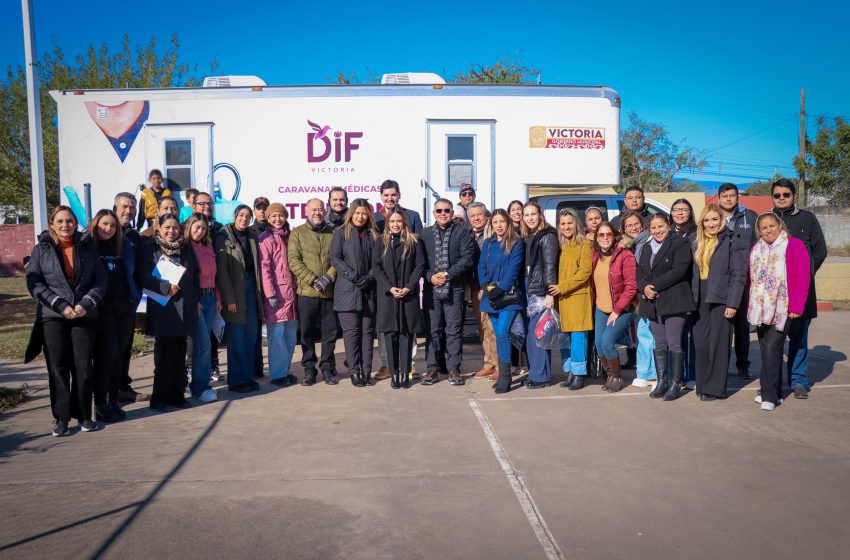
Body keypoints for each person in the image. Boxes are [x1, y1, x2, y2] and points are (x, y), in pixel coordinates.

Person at [27, 206, 106, 436]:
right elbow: (35, 284)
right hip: (53, 317)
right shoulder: (41, 250)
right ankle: (61, 419)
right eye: (60, 221)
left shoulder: (87, 247)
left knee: (82, 368)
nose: (65, 225)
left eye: (69, 221)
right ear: (52, 223)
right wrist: (60, 305)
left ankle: (84, 416)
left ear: (75, 223)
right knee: (58, 368)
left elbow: (100, 280)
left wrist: (86, 304)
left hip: (83, 314)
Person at [748, 213, 811, 411]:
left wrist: (797, 306)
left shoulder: (794, 245)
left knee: (772, 349)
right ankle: (773, 391)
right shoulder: (757, 248)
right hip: (761, 308)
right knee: (767, 350)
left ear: (780, 225)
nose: (768, 230)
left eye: (771, 226)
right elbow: (752, 280)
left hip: (782, 307)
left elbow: (802, 277)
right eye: (763, 227)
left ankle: (769, 396)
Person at [770, 178, 826, 399]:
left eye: (786, 195)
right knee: (772, 342)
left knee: (799, 339)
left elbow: (819, 251)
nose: (782, 198)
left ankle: (798, 381)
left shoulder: (807, 219)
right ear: (772, 198)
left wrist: (803, 275)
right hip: (773, 294)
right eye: (777, 195)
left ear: (794, 196)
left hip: (800, 293)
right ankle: (771, 383)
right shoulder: (767, 220)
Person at [138, 214, 200, 411]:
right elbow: (142, 276)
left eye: (175, 228)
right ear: (159, 228)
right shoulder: (150, 247)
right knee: (164, 356)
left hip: (184, 308)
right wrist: (165, 287)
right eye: (167, 227)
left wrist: (196, 299)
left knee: (179, 355)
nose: (171, 231)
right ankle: (160, 399)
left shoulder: (186, 248)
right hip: (163, 307)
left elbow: (194, 276)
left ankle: (177, 396)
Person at [86, 210, 140, 422]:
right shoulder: (87, 245)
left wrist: (132, 298)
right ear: (95, 224)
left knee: (118, 357)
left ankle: (113, 400)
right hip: (102, 309)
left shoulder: (123, 245)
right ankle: (100, 404)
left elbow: (131, 272)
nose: (108, 229)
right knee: (105, 357)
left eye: (112, 225)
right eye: (104, 224)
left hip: (124, 308)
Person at [691, 204, 747, 401]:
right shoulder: (697, 241)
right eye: (707, 220)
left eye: (714, 219)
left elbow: (739, 274)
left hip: (722, 297)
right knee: (701, 343)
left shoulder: (732, 240)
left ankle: (715, 388)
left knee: (719, 344)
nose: (711, 224)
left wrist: (733, 304)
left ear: (721, 220)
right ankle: (703, 384)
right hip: (700, 297)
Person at [637, 214, 695, 401]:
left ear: (668, 225)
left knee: (674, 343)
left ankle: (675, 382)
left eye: (660, 226)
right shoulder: (646, 247)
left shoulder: (679, 243)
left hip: (675, 300)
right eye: (653, 228)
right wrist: (644, 287)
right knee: (660, 343)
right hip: (653, 302)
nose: (657, 231)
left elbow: (679, 271)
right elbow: (640, 272)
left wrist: (653, 287)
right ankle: (662, 381)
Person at [372, 180, 424, 380]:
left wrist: (409, 284)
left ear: (399, 195)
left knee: (407, 327)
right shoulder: (375, 219)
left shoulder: (413, 216)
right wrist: (387, 285)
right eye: (386, 195)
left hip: (406, 282)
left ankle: (409, 364)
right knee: (387, 327)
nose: (390, 198)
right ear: (381, 197)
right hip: (386, 285)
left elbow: (419, 252)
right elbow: (376, 258)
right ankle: (387, 364)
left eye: (393, 194)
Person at [421, 199, 476, 386]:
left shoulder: (462, 233)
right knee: (433, 330)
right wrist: (430, 277)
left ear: (452, 213)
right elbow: (420, 263)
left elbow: (467, 259)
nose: (443, 213)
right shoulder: (425, 234)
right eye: (439, 210)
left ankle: (454, 369)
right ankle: (432, 368)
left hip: (455, 288)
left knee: (453, 330)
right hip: (431, 290)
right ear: (434, 213)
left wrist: (446, 274)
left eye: (447, 210)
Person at [289, 198, 339, 385]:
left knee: (330, 334)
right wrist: (312, 279)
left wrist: (329, 277)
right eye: (314, 210)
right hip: (307, 293)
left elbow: (338, 258)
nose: (317, 213)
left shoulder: (333, 232)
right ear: (306, 211)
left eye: (320, 209)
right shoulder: (298, 233)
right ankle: (309, 370)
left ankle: (327, 368)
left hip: (329, 292)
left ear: (325, 211)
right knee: (307, 334)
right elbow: (294, 260)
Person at [330, 199, 378, 387]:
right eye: (357, 213)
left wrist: (370, 277)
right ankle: (354, 371)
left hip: (369, 289)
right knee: (351, 333)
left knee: (367, 332)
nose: (360, 217)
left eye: (364, 213)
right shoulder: (341, 233)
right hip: (348, 290)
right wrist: (355, 276)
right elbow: (335, 258)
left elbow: (379, 259)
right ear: (351, 214)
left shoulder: (373, 234)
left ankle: (366, 370)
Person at [216, 205, 263, 393]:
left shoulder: (252, 235)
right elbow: (222, 273)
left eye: (247, 216)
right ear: (235, 216)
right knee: (236, 337)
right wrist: (229, 299)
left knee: (251, 335)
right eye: (241, 215)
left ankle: (248, 376)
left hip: (252, 288)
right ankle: (236, 381)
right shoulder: (223, 237)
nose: (244, 218)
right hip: (234, 291)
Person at [478, 209, 525, 394]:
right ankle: (503, 372)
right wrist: (484, 285)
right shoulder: (488, 244)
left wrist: (501, 289)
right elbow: (481, 265)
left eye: (502, 221)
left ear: (508, 223)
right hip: (490, 296)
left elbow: (514, 268)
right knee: (498, 335)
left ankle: (505, 377)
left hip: (508, 297)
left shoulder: (516, 242)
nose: (499, 225)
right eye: (495, 222)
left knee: (504, 332)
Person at [717, 183, 759, 380]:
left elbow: (759, 245)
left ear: (737, 197)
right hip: (719, 279)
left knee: (742, 327)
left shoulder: (750, 217)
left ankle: (743, 365)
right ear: (718, 198)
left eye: (731, 195)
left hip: (743, 279)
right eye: (724, 195)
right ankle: (720, 365)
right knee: (722, 327)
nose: (728, 199)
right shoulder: (712, 217)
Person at [548, 208, 593, 390]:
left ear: (576, 224)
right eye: (563, 223)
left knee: (578, 336)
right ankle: (570, 371)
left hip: (577, 297)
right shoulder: (558, 246)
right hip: (561, 299)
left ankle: (579, 373)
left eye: (570, 223)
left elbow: (584, 272)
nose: (567, 227)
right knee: (565, 338)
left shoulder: (584, 244)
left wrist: (562, 287)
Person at [112, 192, 150, 403]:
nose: (128, 211)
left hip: (128, 301)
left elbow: (141, 267)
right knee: (109, 347)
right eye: (124, 206)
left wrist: (135, 293)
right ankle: (107, 389)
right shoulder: (102, 230)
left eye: (132, 207)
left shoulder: (135, 236)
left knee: (125, 346)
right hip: (104, 302)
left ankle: (122, 387)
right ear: (115, 207)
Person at [591, 222, 637, 393]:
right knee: (598, 343)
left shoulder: (625, 255)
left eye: (608, 234)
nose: (605, 238)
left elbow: (631, 287)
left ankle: (617, 376)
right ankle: (610, 374)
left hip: (621, 308)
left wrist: (617, 310)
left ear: (614, 235)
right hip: (601, 306)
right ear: (596, 238)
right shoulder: (596, 255)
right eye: (601, 235)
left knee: (607, 342)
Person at [258, 203, 299, 386]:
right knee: (276, 337)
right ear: (268, 218)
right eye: (273, 216)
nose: (277, 219)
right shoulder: (265, 239)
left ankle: (286, 370)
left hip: (291, 294)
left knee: (290, 335)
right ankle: (277, 374)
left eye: (280, 215)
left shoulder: (289, 236)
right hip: (276, 296)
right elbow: (264, 269)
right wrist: (270, 294)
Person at [521, 202, 560, 389]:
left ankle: (541, 376)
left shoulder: (548, 235)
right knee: (531, 335)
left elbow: (550, 265)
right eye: (526, 215)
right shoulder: (531, 235)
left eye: (533, 214)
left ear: (540, 215)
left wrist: (549, 293)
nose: (530, 218)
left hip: (541, 291)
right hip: (531, 289)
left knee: (539, 335)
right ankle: (535, 372)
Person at [186, 213, 221, 403]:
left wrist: (218, 297)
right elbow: (186, 277)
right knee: (203, 344)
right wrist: (194, 299)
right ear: (189, 227)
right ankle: (199, 387)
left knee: (205, 343)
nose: (200, 231)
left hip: (209, 297)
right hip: (196, 299)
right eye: (196, 227)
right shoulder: (187, 248)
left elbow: (214, 275)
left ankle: (200, 385)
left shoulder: (207, 246)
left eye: (203, 228)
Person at [620, 211, 656, 388]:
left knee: (649, 335)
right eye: (629, 225)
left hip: (647, 296)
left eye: (636, 224)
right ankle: (645, 372)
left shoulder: (649, 241)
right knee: (642, 336)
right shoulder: (627, 245)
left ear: (642, 224)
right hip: (634, 298)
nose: (633, 228)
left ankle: (652, 374)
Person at [467, 202, 498, 379]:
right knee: (482, 327)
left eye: (479, 215)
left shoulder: (493, 233)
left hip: (491, 287)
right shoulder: (468, 235)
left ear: (486, 216)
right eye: (472, 216)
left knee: (494, 328)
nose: (476, 218)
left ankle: (499, 364)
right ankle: (488, 362)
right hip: (475, 286)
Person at [669, 198, 698, 390]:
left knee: (693, 335)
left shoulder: (697, 234)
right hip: (673, 291)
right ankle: (677, 376)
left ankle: (693, 375)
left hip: (693, 287)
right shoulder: (666, 232)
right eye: (676, 210)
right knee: (676, 337)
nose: (680, 213)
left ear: (690, 213)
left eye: (684, 210)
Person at [194, 191, 223, 380]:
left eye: (210, 203)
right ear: (193, 206)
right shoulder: (186, 232)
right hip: (195, 295)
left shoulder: (219, 229)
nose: (207, 206)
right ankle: (193, 371)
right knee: (198, 338)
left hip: (213, 291)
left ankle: (213, 366)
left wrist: (219, 295)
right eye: (202, 203)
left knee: (212, 334)